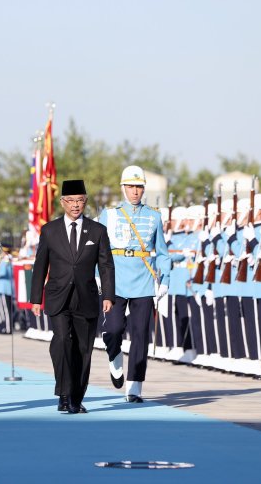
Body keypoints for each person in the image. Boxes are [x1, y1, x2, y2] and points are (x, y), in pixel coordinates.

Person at [30, 180, 114, 414]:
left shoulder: (97, 231)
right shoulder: (50, 230)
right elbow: (40, 266)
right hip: (58, 297)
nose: (76, 205)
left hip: (86, 298)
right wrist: (35, 298)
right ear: (62, 202)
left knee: (83, 349)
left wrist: (108, 295)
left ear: (85, 201)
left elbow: (106, 266)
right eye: (71, 200)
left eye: (80, 200)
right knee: (62, 341)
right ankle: (64, 393)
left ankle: (77, 396)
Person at [98, 165, 170, 403]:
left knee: (140, 334)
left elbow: (162, 252)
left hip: (144, 280)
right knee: (113, 328)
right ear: (123, 188)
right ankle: (114, 353)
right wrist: (97, 277)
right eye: (131, 186)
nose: (135, 191)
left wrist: (165, 280)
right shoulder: (109, 215)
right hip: (115, 279)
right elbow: (99, 251)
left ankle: (135, 385)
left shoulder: (154, 216)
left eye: (139, 187)